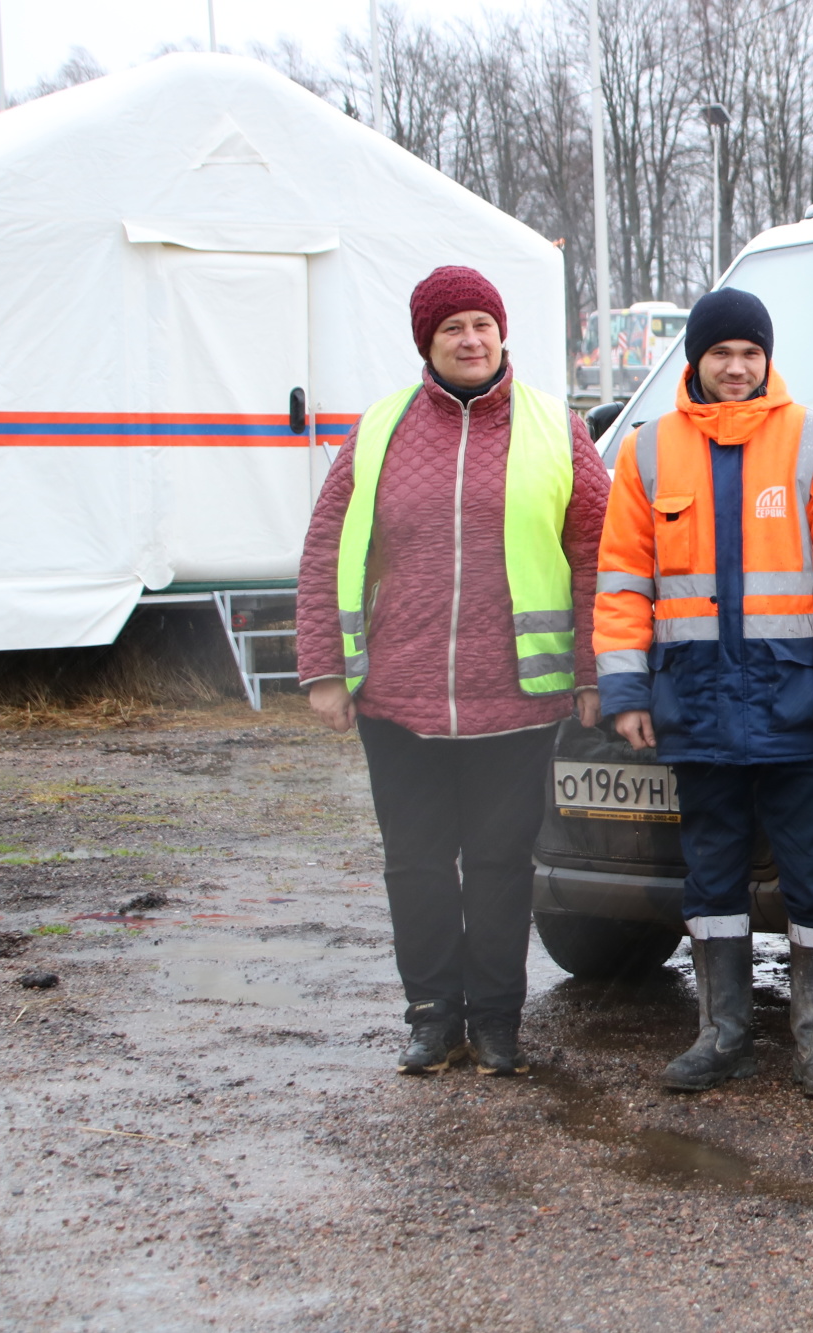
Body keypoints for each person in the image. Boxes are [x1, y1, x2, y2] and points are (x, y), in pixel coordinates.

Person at [297, 265, 608, 1078]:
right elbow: (327, 549)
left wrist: (594, 672)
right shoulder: (378, 432)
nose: (471, 341)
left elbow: (597, 557)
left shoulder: (557, 427)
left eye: (482, 324)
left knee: (504, 864)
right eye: (451, 330)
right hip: (398, 698)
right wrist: (324, 667)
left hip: (517, 698)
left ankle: (498, 1020)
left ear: (503, 332)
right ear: (426, 345)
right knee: (417, 862)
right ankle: (433, 1016)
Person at [593, 288, 813, 1100]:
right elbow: (621, 582)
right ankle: (723, 1035)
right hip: (696, 704)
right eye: (721, 352)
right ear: (696, 358)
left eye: (749, 352)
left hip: (797, 701)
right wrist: (626, 690)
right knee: (710, 877)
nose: (735, 366)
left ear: (767, 358)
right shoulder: (648, 452)